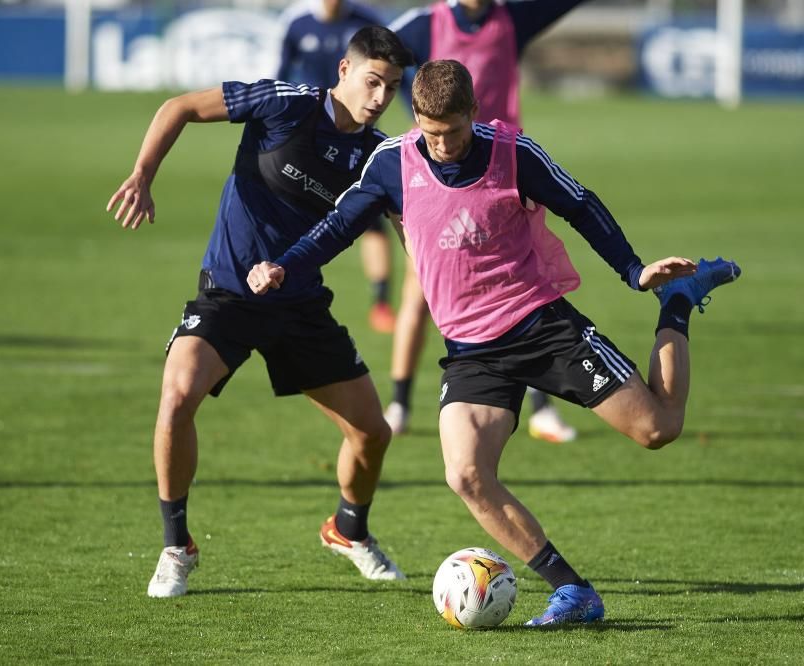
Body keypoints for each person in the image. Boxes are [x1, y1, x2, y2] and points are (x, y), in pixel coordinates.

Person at [246, 60, 740, 625]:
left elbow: (579, 203)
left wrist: (633, 271)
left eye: (452, 132)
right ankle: (573, 592)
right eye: (430, 133)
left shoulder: (512, 153)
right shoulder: (393, 163)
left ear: (473, 114)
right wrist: (283, 266)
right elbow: (337, 226)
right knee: (466, 475)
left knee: (659, 429)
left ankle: (676, 305)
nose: (442, 145)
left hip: (541, 327)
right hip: (471, 351)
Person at [106, 26, 415, 598]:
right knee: (176, 396)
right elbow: (178, 107)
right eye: (372, 81)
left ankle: (349, 530)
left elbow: (410, 231)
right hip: (228, 296)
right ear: (343, 72)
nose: (379, 98)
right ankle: (177, 547)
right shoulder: (284, 103)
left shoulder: (379, 156)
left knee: (373, 434)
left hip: (299, 305)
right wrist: (144, 173)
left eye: (392, 88)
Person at [383, 0, 588, 438]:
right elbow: (381, 52)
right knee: (419, 287)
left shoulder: (510, 18)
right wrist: (417, 117)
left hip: (504, 176)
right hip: (442, 178)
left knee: (524, 286)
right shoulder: (425, 25)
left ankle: (541, 407)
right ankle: (399, 403)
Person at [278, 0, 398, 334]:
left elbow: (393, 71)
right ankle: (282, 285)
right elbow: (281, 72)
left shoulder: (366, 22)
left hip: (354, 139)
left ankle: (381, 303)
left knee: (375, 218)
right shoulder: (297, 22)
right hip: (307, 139)